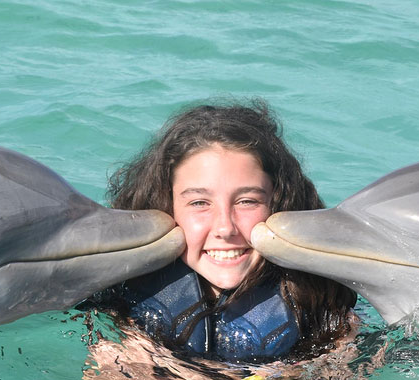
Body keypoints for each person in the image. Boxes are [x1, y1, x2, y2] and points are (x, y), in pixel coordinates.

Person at [104, 98, 357, 362]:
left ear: (280, 204)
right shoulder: (123, 296)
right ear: (165, 207)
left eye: (247, 201)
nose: (225, 228)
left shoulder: (323, 303)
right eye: (200, 203)